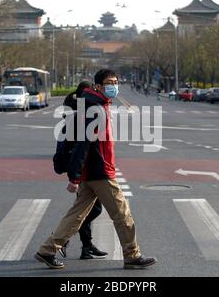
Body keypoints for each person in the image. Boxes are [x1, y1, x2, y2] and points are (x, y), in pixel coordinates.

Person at [35, 69, 157, 269]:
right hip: (100, 172)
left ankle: (47, 250)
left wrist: (77, 175)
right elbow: (84, 144)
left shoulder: (95, 105)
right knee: (122, 213)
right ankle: (132, 255)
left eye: (116, 81)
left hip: (90, 172)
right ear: (98, 86)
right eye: (110, 82)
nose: (114, 86)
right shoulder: (96, 109)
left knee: (76, 215)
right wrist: (74, 177)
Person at [59, 80, 108, 260]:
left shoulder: (80, 106)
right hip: (84, 166)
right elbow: (80, 141)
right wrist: (75, 175)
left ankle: (86, 247)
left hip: (84, 164)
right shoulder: (80, 108)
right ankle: (62, 237)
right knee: (91, 209)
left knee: (87, 208)